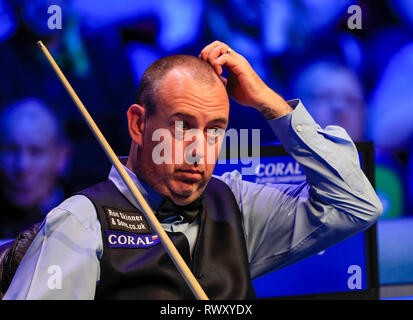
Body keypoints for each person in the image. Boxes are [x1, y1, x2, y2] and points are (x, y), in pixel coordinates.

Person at [3, 41, 382, 300]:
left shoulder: (236, 204)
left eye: (214, 130)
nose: (199, 152)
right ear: (138, 125)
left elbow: (356, 205)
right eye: (182, 126)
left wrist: (270, 103)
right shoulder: (80, 222)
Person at [0, 98, 70, 239]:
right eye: (11, 150)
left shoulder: (86, 216)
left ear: (62, 156)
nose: (22, 166)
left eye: (36, 152)